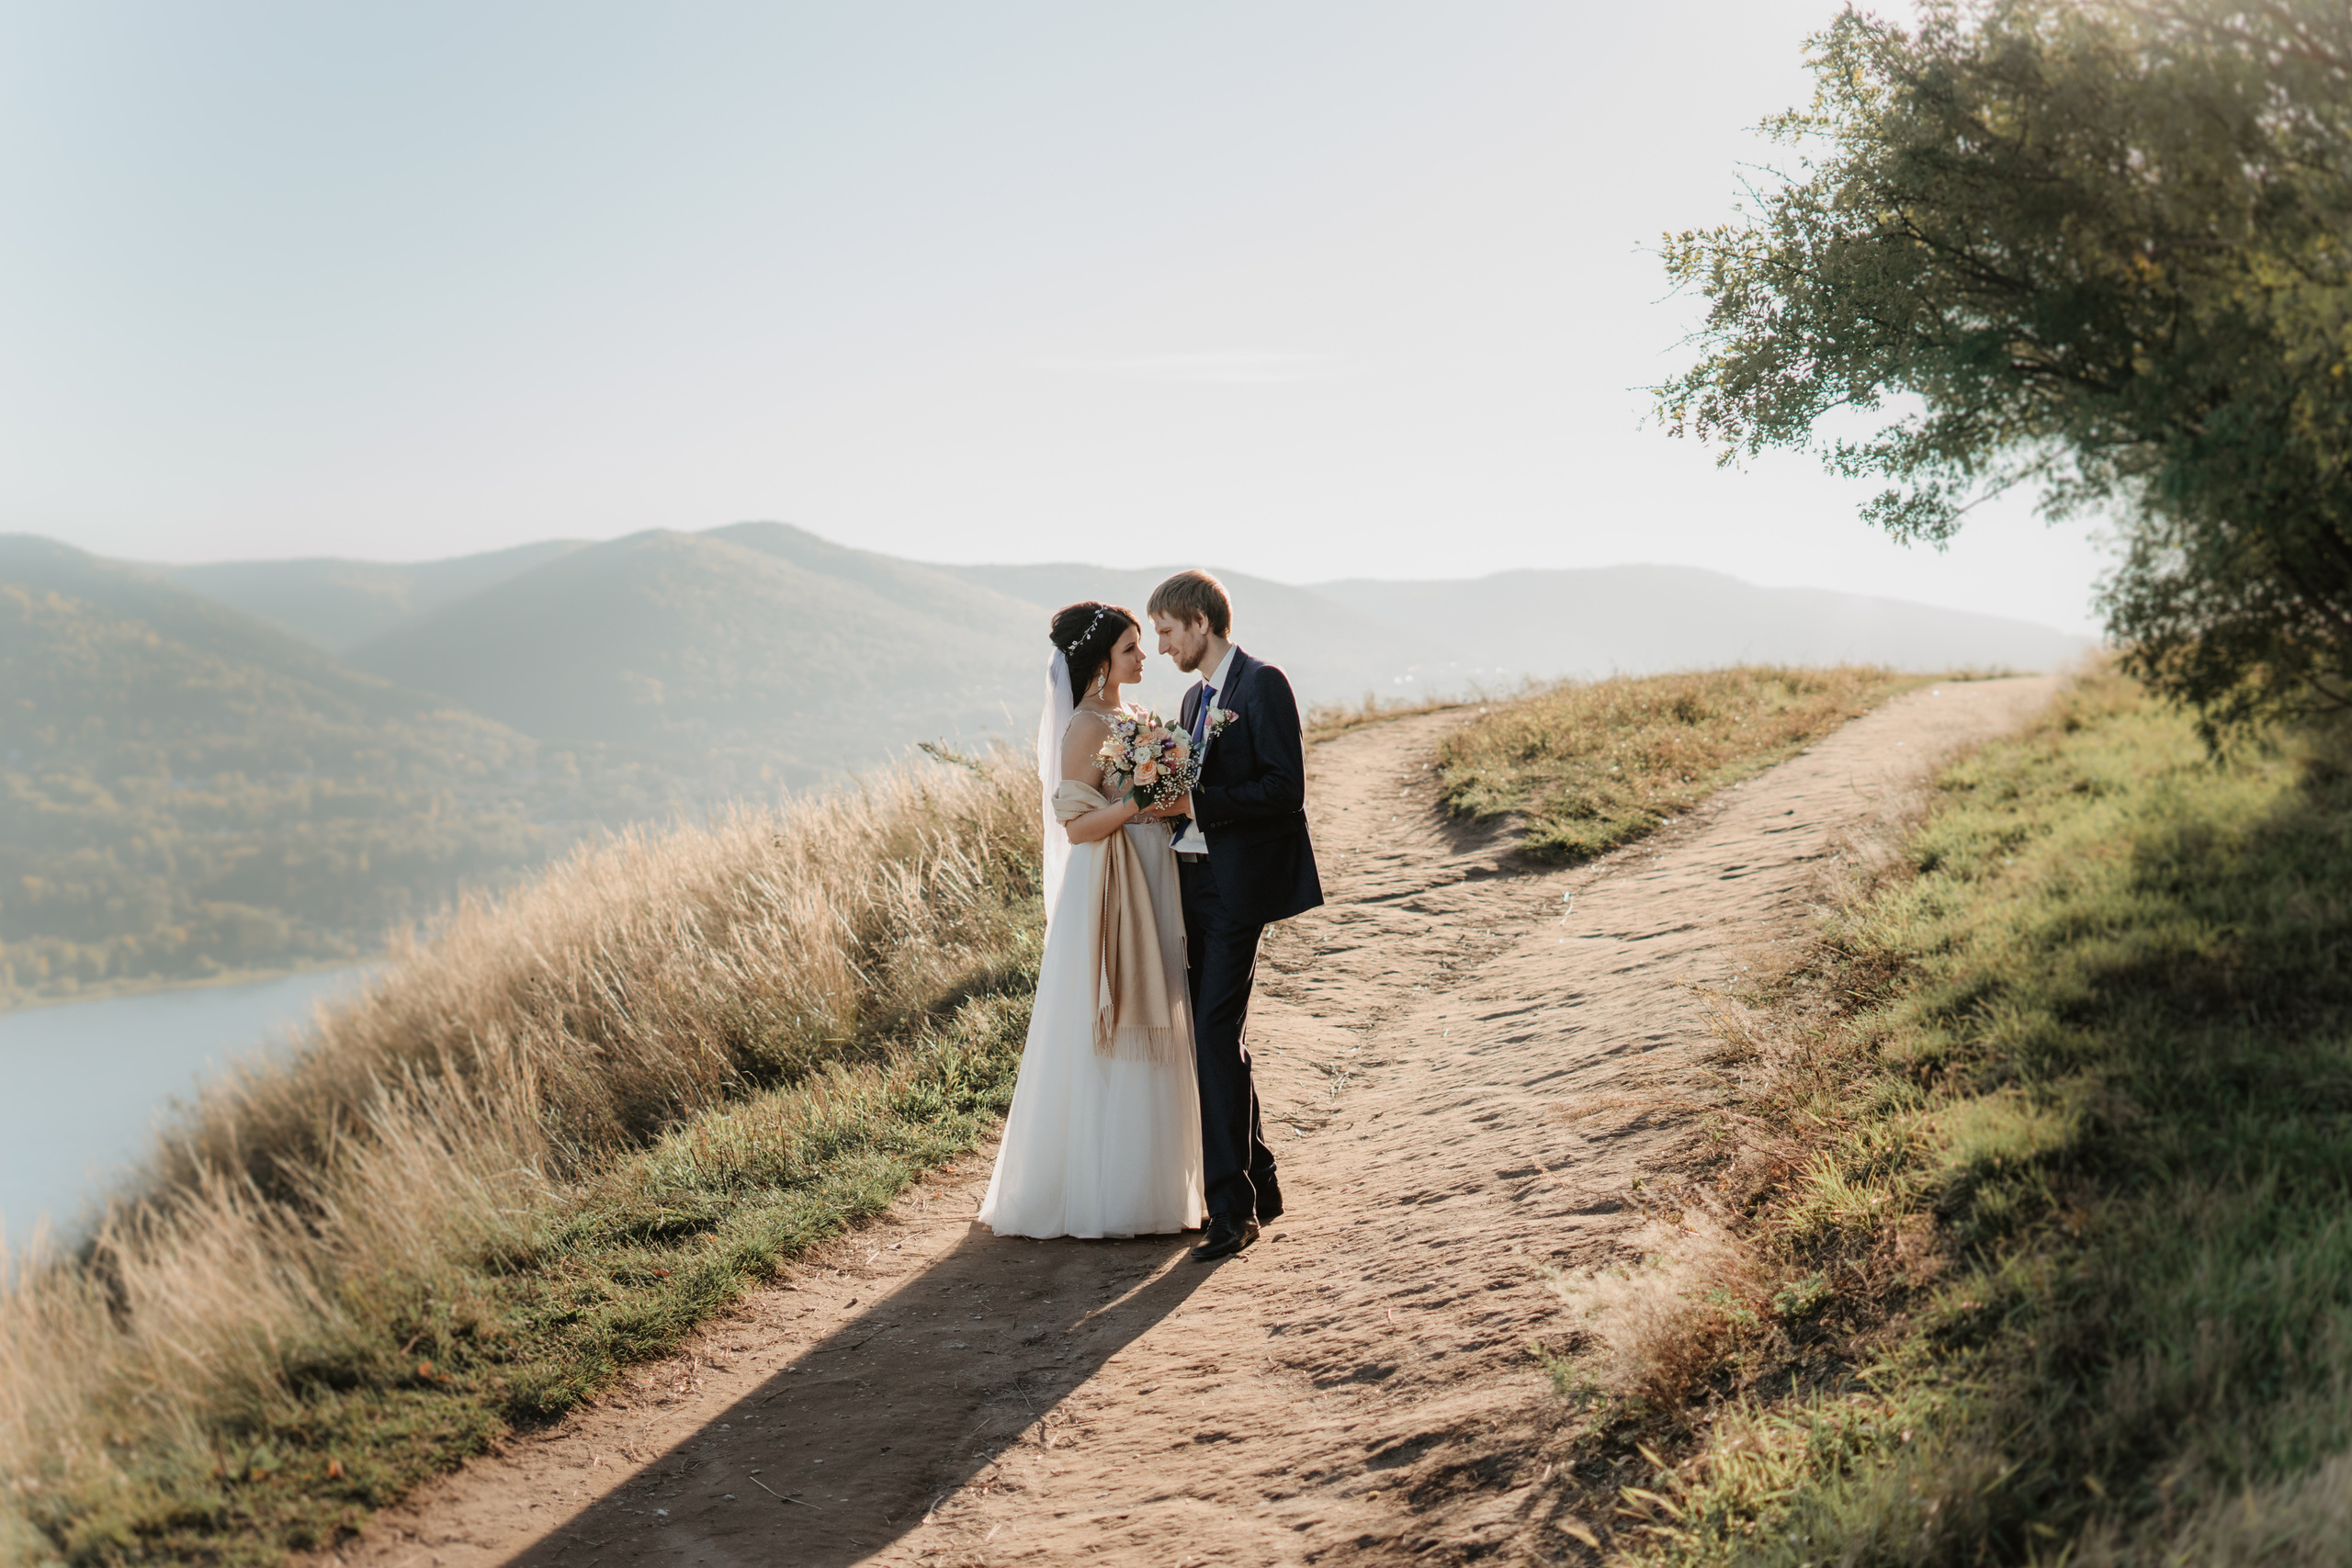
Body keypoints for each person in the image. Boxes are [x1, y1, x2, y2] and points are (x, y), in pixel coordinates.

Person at [978, 602, 1204, 1239]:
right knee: (1104, 1021)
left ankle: (1162, 1184)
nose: (1142, 657)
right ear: (1102, 659)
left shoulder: (1133, 718)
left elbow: (1163, 798)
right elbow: (1077, 827)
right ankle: (1108, 1191)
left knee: (1162, 1001)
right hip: (1107, 883)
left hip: (1154, 876)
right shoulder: (1083, 726)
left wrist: (1167, 797)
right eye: (1132, 648)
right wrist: (1139, 801)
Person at [1148, 570, 1323, 1262]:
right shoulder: (1194, 700)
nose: (1161, 646)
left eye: (1165, 631)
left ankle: (1233, 1209)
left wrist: (1199, 805)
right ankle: (1263, 1181)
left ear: (1197, 621)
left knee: (1214, 1036)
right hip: (1189, 886)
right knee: (1214, 1034)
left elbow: (1285, 789)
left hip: (1236, 889)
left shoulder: (1263, 684)